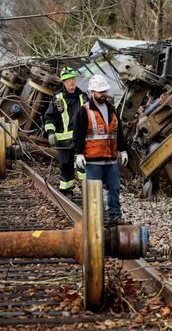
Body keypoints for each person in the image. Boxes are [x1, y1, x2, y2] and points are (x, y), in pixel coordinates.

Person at [72, 74, 128, 226]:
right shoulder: (84, 111)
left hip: (110, 159)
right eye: (100, 91)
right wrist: (78, 154)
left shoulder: (112, 109)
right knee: (94, 193)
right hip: (93, 160)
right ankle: (94, 220)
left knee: (114, 188)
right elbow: (78, 134)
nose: (103, 94)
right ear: (92, 92)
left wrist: (123, 150)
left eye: (104, 91)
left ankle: (115, 217)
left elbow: (119, 132)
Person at [44, 66, 88, 196]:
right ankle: (66, 190)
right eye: (68, 80)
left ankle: (87, 189)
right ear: (64, 82)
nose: (72, 82)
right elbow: (49, 118)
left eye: (73, 79)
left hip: (81, 140)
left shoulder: (83, 97)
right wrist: (51, 133)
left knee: (83, 166)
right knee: (65, 165)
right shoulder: (58, 99)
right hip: (63, 142)